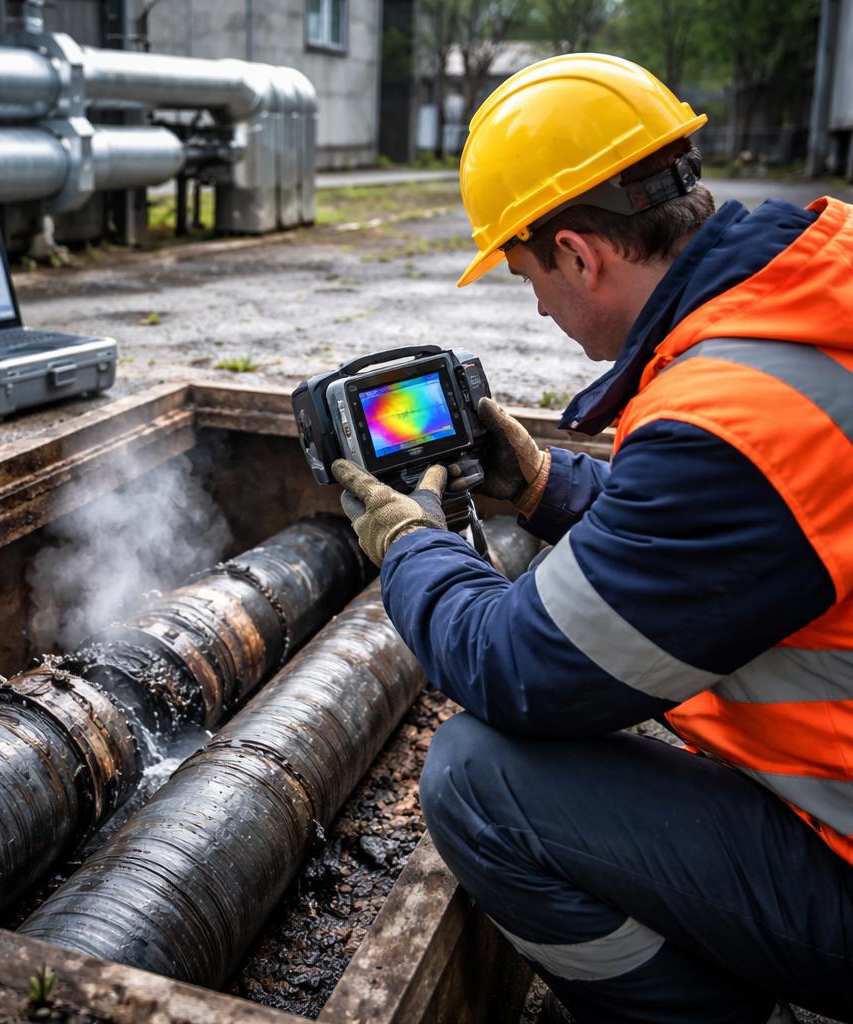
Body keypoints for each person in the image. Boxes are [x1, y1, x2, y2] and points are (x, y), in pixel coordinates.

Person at [331, 52, 853, 1024]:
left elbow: (521, 668)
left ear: (578, 252)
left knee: (477, 780)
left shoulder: (730, 416)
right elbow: (752, 528)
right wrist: (543, 488)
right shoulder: (810, 298)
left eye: (526, 273)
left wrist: (409, 548)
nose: (534, 303)